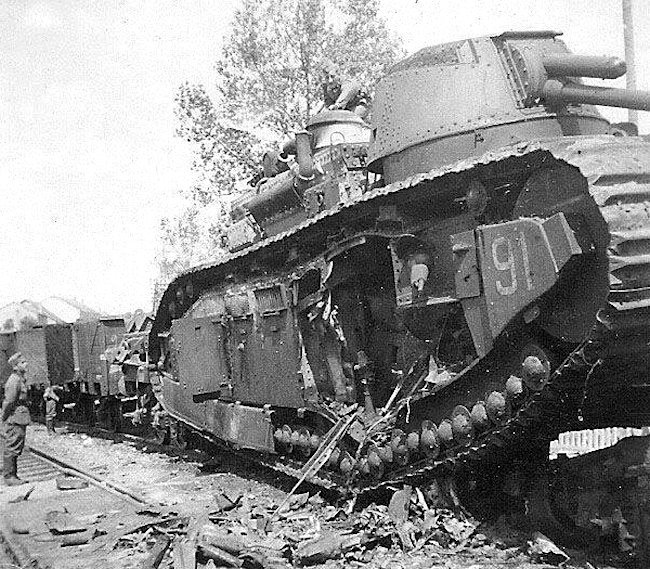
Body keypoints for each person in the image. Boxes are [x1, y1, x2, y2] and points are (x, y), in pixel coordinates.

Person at [1, 352, 30, 485]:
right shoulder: (14, 380)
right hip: (15, 416)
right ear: (16, 366)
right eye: (23, 362)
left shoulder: (19, 379)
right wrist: (5, 417)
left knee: (17, 444)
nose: (26, 364)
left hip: (19, 416)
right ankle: (9, 476)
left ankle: (14, 475)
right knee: (12, 445)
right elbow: (9, 401)